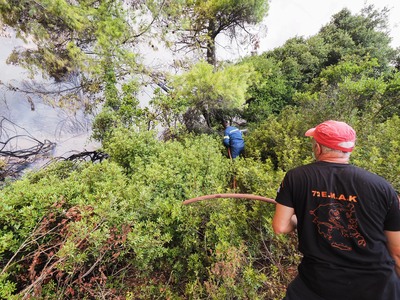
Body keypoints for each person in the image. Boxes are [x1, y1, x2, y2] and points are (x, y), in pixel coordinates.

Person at [272, 120, 400, 300]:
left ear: (318, 148)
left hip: (317, 285)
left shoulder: (296, 177)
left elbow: (280, 226)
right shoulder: (382, 187)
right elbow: (397, 252)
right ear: (350, 149)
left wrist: (302, 217)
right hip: (377, 286)